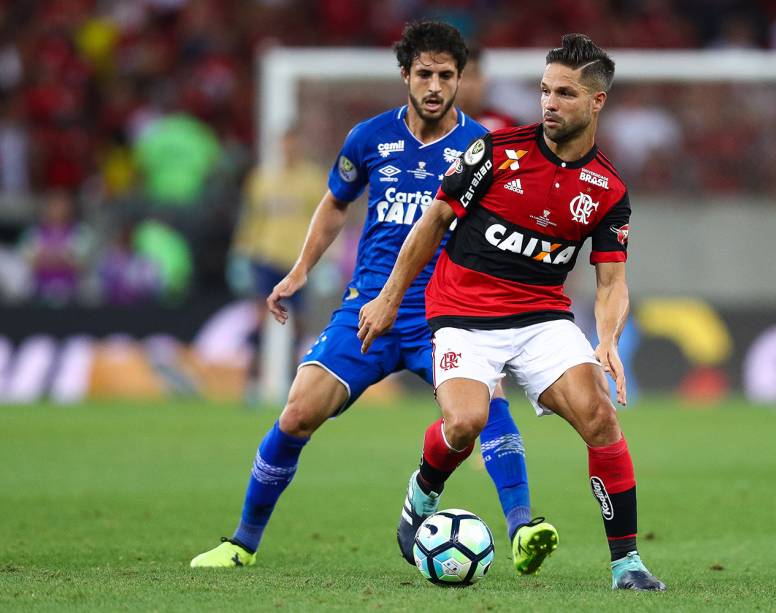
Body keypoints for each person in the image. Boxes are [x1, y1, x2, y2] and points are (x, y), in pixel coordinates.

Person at [191, 21, 555, 574]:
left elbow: (502, 228)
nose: (435, 86)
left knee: (484, 410)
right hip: (368, 312)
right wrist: (299, 270)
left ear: (460, 79)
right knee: (296, 414)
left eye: (447, 76)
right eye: (425, 74)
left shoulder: (482, 148)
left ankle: (522, 527)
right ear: (406, 74)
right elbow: (336, 204)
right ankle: (241, 542)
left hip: (445, 315)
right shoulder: (369, 138)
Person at [358, 34, 666, 591]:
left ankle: (627, 564)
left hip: (541, 317)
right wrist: (387, 297)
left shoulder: (608, 189)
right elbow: (431, 223)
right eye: (545, 90)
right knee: (466, 423)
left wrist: (609, 338)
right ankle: (421, 494)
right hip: (461, 311)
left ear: (596, 102)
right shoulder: (497, 153)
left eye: (565, 94)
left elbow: (613, 280)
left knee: (600, 415)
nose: (549, 103)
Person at [229, 127, 327, 389]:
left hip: (298, 260)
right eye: (285, 144)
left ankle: (294, 384)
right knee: (261, 319)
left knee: (300, 325)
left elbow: (327, 220)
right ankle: (251, 382)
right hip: (266, 255)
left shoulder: (312, 180)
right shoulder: (261, 179)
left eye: (294, 144)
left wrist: (327, 259)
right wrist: (241, 253)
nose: (289, 149)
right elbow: (252, 218)